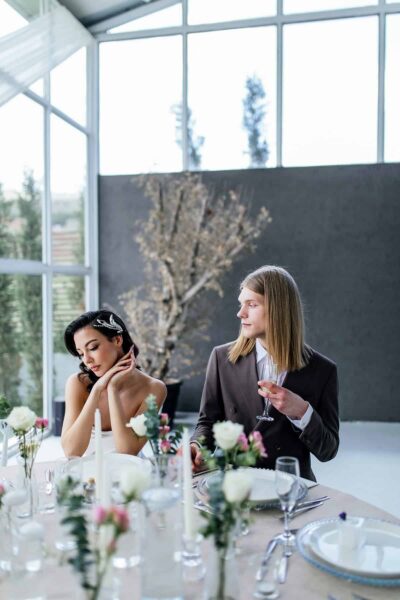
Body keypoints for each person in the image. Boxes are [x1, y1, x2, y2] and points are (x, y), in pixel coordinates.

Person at [190, 265, 339, 480]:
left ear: (279, 309)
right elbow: (207, 423)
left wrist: (302, 411)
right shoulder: (222, 359)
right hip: (234, 485)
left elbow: (328, 450)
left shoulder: (322, 370)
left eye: (252, 304)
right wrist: (197, 446)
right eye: (241, 304)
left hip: (290, 488)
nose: (240, 313)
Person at [62, 310, 166, 457]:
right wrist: (97, 390)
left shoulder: (154, 388)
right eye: (81, 353)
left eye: (92, 348)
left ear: (117, 340)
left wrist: (112, 388)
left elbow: (127, 451)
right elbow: (71, 451)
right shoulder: (77, 384)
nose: (87, 360)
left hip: (130, 470)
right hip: (85, 471)